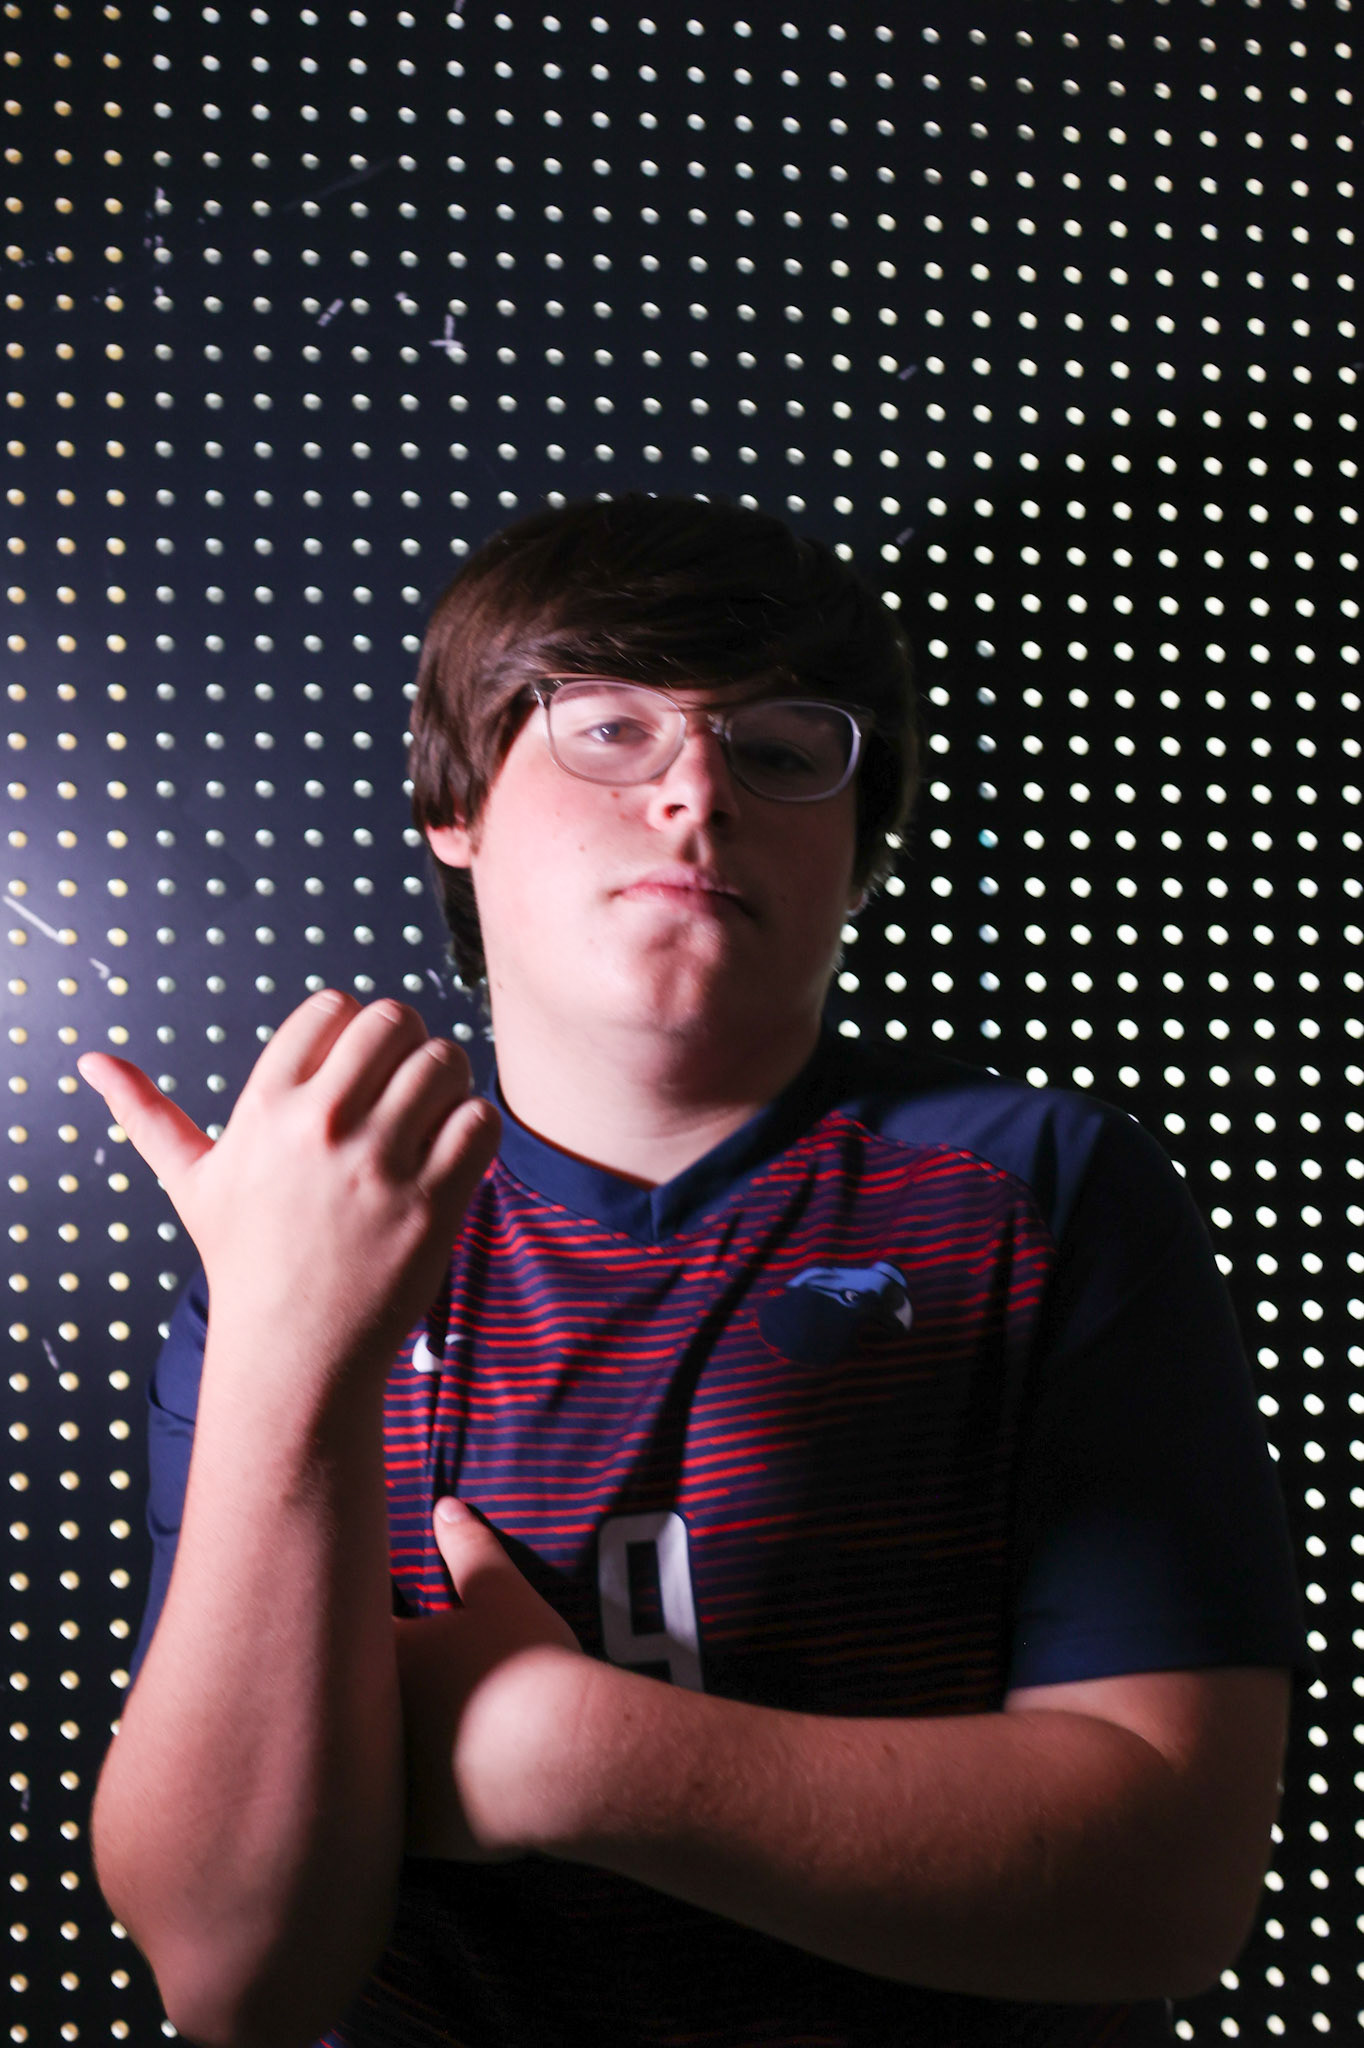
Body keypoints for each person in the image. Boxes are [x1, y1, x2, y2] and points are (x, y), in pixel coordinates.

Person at [81, 494, 1303, 2048]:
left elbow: (1168, 1887)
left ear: (858, 848)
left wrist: (561, 1753)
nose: (694, 793)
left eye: (784, 749)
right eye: (607, 729)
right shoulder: (305, 1221)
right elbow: (232, 1975)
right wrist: (284, 1341)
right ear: (455, 800)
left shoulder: (1040, 1194)